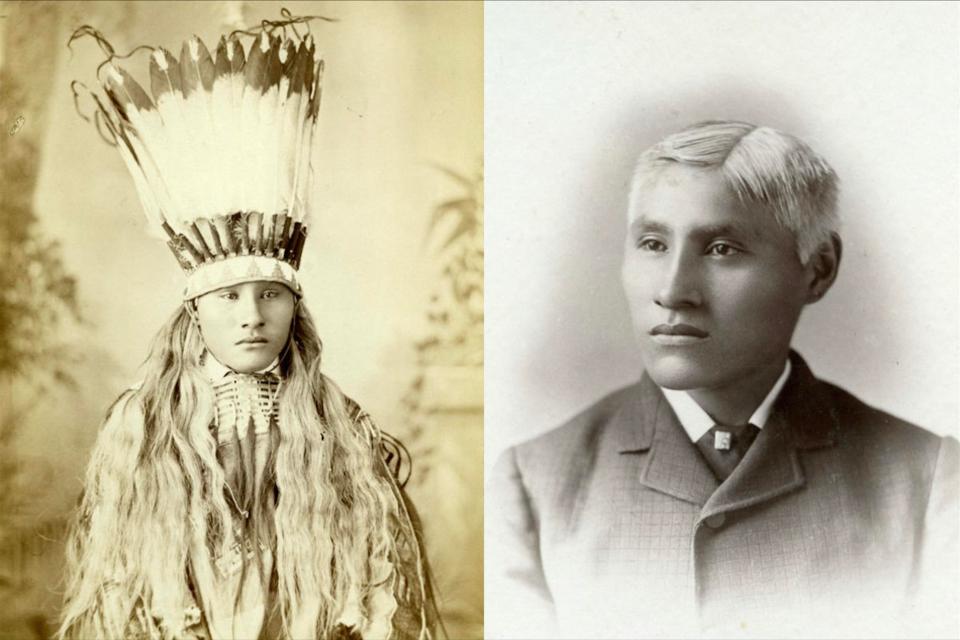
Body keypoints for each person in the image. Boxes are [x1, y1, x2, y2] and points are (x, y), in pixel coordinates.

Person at [487, 121, 959, 639]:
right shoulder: (535, 484)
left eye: (721, 249)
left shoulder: (926, 482)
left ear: (818, 269)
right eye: (652, 243)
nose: (672, 291)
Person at [59, 18, 438, 640]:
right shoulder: (146, 421)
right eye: (228, 296)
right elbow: (125, 579)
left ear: (295, 308)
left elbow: (376, 572)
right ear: (195, 312)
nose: (251, 315)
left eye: (270, 295)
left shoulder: (338, 422)